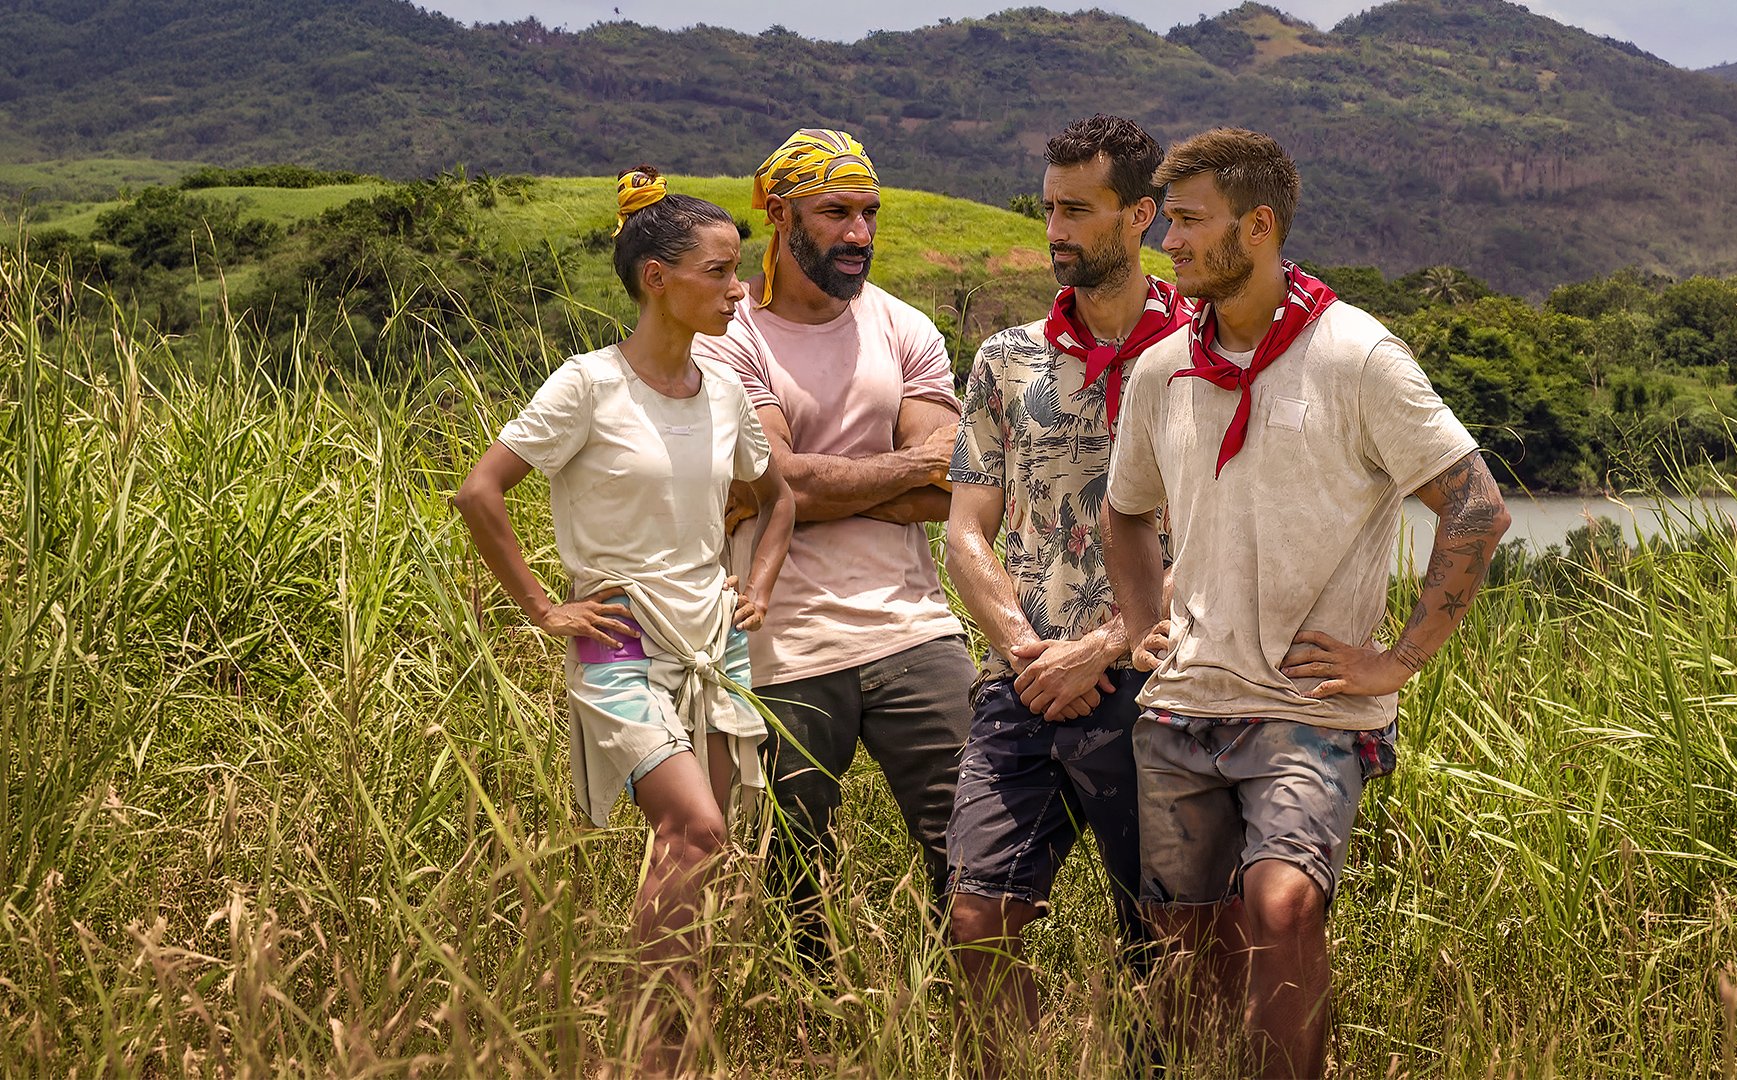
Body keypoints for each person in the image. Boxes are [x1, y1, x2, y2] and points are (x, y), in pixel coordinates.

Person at [1101, 128, 1511, 1078]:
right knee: (1184, 951)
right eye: (1167, 220)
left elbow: (1478, 510)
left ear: (1259, 225)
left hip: (1308, 708)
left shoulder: (1358, 356)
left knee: (1282, 909)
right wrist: (1136, 626)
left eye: (1191, 222)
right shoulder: (1165, 368)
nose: (1169, 241)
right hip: (1183, 706)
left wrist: (1396, 662)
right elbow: (1126, 516)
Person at [452, 166, 795, 1075]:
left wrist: (755, 580)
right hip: (619, 636)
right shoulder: (588, 385)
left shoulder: (723, 389)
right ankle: (647, 1058)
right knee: (699, 830)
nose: (739, 289)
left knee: (701, 853)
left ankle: (676, 1049)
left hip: (712, 639)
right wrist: (541, 605)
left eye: (738, 269)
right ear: (657, 277)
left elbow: (776, 495)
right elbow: (480, 492)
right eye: (720, 271)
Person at [942, 114, 1187, 1075]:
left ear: (1140, 217)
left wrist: (1111, 645)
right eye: (1049, 208)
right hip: (1027, 683)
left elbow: (1225, 536)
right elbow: (966, 528)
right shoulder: (1007, 358)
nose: (1057, 230)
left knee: (1163, 937)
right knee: (977, 915)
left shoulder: (1201, 356)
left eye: (1078, 211)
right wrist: (1026, 650)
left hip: (1162, 685)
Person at [693, 130, 975, 953]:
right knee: (789, 867)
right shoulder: (729, 333)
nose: (859, 233)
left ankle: (950, 1018)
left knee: (971, 846)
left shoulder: (905, 327)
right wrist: (893, 469)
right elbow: (784, 483)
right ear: (780, 216)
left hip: (913, 624)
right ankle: (811, 1031)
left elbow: (951, 483)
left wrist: (809, 488)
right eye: (836, 213)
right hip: (777, 635)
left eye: (869, 213)